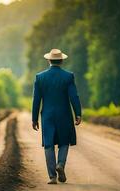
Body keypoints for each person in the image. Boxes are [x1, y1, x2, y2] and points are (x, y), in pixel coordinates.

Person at [32, 49, 82, 184]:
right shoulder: (68, 76)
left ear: (49, 60)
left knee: (48, 144)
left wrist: (34, 119)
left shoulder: (40, 77)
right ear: (61, 60)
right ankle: (60, 164)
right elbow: (74, 97)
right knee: (64, 142)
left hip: (47, 116)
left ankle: (52, 177)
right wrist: (78, 113)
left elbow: (36, 100)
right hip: (64, 115)